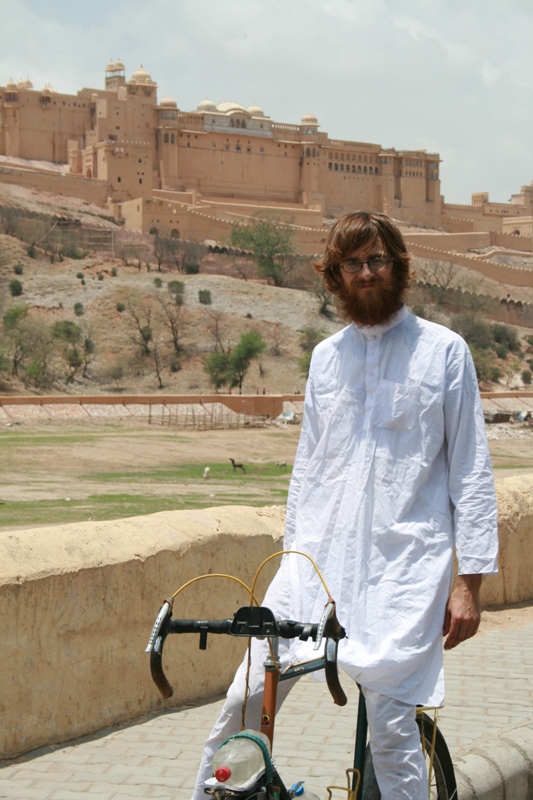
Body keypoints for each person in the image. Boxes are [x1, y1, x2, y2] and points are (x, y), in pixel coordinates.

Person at [192, 211, 498, 800]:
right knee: (244, 704)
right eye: (352, 263)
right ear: (334, 277)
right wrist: (291, 564)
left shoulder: (444, 353)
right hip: (315, 569)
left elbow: (472, 472)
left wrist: (470, 584)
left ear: (398, 266)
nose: (366, 273)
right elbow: (308, 471)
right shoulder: (326, 359)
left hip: (403, 574)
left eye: (376, 259)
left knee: (390, 733)